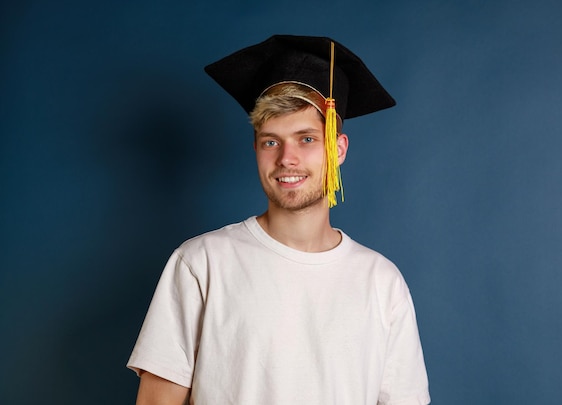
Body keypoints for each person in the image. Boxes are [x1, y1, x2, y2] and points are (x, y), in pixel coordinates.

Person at [127, 34, 430, 405]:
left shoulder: (381, 283)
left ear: (337, 149)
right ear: (256, 148)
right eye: (271, 141)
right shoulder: (202, 264)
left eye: (306, 139)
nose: (287, 158)